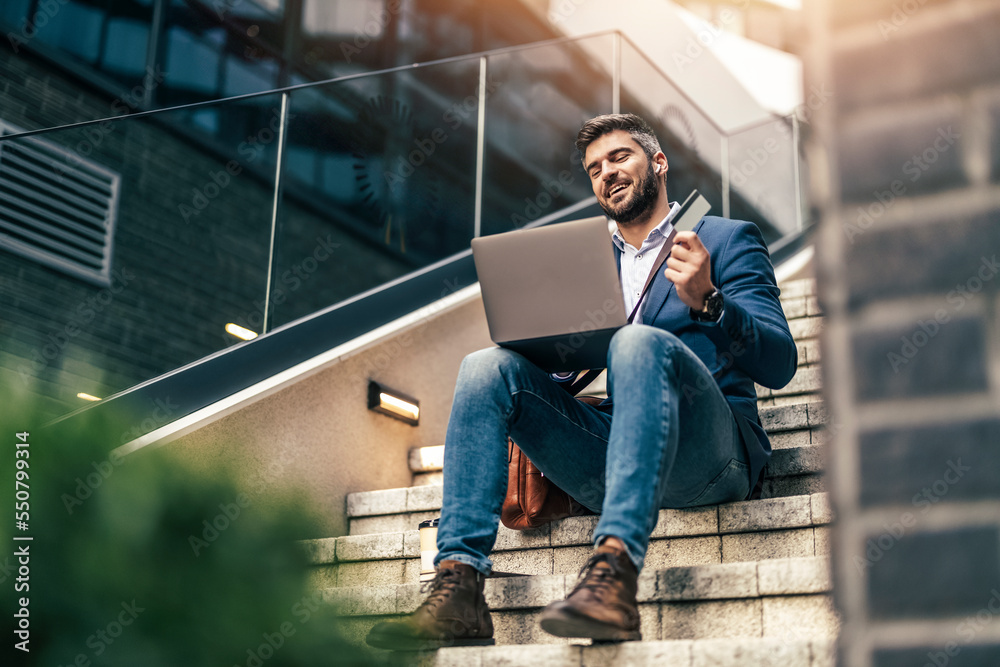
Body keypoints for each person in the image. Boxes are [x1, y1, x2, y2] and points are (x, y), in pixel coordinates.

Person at [365, 113, 796, 649]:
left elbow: (780, 365)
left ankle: (613, 572)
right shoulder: (588, 262)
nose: (607, 173)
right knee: (486, 365)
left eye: (620, 158)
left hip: (710, 454)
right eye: (594, 169)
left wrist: (711, 302)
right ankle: (459, 587)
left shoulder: (725, 239)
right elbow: (564, 369)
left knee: (638, 342)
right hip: (615, 454)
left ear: (658, 163)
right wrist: (545, 351)